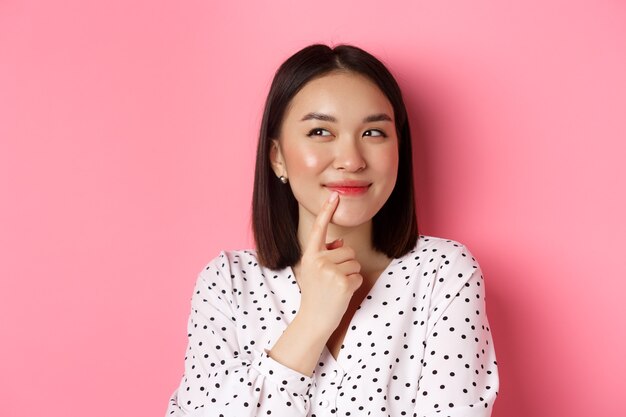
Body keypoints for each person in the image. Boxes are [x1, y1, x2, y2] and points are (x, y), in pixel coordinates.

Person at [166, 43, 499, 417]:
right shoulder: (227, 282)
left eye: (374, 133)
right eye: (321, 131)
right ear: (277, 156)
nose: (352, 160)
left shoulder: (443, 274)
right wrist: (312, 321)